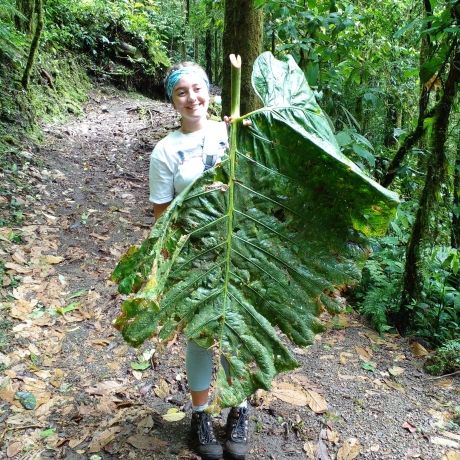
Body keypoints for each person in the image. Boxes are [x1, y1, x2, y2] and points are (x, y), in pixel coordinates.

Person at [149, 62, 249, 460]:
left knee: (240, 331)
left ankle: (239, 409)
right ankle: (201, 414)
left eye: (197, 89)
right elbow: (162, 214)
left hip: (241, 245)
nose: (192, 98)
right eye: (181, 92)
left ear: (210, 91)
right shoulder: (166, 150)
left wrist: (241, 132)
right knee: (201, 334)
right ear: (172, 101)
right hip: (195, 253)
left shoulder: (234, 131)